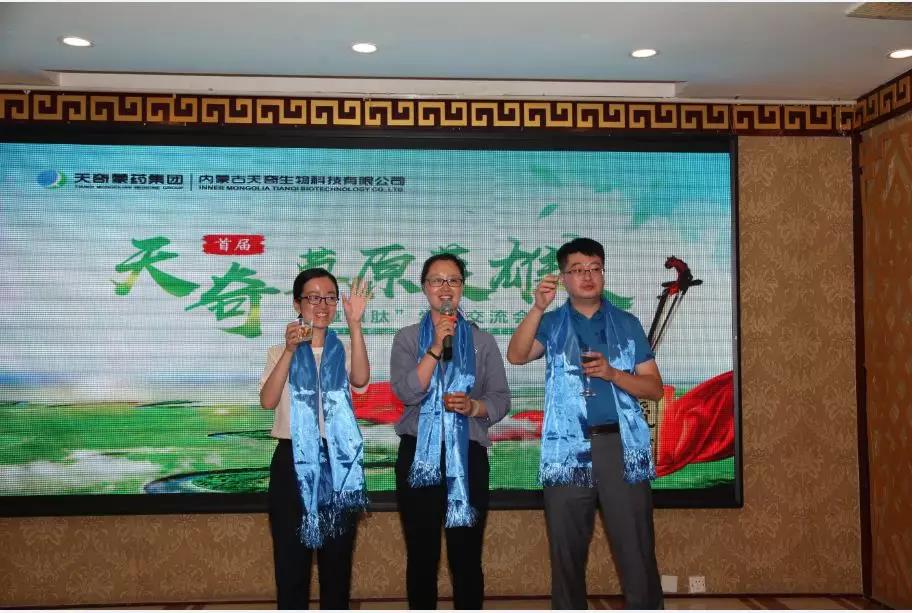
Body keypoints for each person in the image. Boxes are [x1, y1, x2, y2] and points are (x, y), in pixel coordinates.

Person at [507, 237, 664, 610]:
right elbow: (516, 356)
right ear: (563, 278)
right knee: (566, 551)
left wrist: (613, 374)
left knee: (636, 549)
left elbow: (654, 388)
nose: (588, 276)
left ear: (603, 273)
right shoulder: (551, 323)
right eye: (577, 270)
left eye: (595, 268)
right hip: (567, 449)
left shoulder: (626, 323)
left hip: (619, 448)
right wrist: (537, 307)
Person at [390, 253, 511, 609]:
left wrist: (474, 407)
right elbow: (406, 392)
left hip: (468, 456)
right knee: (422, 554)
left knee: (466, 554)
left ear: (462, 287)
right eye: (437, 280)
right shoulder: (407, 339)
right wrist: (433, 348)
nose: (445, 287)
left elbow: (500, 398)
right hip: (418, 456)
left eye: (453, 280)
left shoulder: (482, 341)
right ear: (424, 287)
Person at [259, 268, 372, 609]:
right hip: (291, 463)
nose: (322, 305)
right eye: (313, 297)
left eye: (329, 297)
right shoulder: (279, 351)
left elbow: (361, 378)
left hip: (338, 463)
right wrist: (290, 351)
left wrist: (355, 324)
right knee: (291, 566)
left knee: (337, 566)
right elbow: (267, 401)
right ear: (297, 304)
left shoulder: (345, 349)